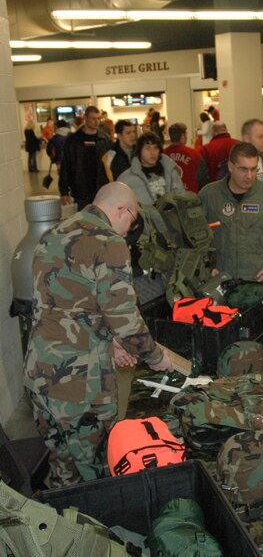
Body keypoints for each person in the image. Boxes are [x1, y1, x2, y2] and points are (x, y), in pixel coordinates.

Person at [23, 182, 174, 487]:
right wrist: (157, 357)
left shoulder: (54, 234)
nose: (125, 232)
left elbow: (71, 304)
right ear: (122, 210)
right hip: (81, 383)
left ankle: (66, 527)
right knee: (99, 476)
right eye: (129, 223)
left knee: (62, 467)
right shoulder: (109, 242)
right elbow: (127, 322)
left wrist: (110, 339)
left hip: (39, 375)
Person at [199, 141, 263, 281]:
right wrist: (206, 267)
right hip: (220, 282)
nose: (249, 176)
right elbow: (193, 236)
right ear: (230, 166)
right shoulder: (209, 195)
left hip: (258, 283)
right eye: (243, 169)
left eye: (254, 169)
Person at [59, 105, 111, 210]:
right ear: (85, 118)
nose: (96, 122)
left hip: (102, 190)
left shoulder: (105, 140)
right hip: (81, 190)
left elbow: (111, 164)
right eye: (93, 119)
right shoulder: (73, 141)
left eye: (98, 118)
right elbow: (66, 166)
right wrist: (64, 191)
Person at [118, 131, 185, 206]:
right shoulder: (127, 179)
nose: (152, 152)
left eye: (155, 148)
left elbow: (182, 196)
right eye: (147, 148)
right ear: (139, 151)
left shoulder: (170, 171)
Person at [164, 122, 208, 192]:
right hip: (190, 197)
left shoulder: (163, 155)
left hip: (169, 197)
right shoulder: (195, 155)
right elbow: (203, 179)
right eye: (186, 134)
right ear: (182, 137)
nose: (187, 137)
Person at [99, 119, 137, 183]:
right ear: (119, 136)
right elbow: (104, 181)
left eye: (133, 132)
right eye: (128, 133)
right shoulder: (110, 156)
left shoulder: (140, 152)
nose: (132, 135)